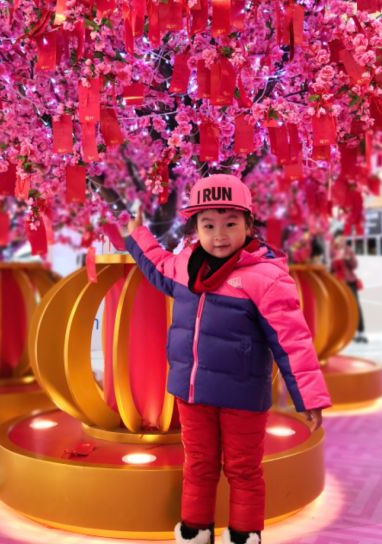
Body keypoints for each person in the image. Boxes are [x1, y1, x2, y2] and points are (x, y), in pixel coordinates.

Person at [121, 174, 331, 544]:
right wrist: (137, 235)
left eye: (230, 224)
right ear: (196, 230)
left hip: (242, 398)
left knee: (243, 469)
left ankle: (245, 534)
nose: (219, 235)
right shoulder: (187, 265)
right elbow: (157, 265)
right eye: (209, 225)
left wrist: (309, 397)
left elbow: (292, 340)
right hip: (192, 393)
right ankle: (195, 530)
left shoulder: (265, 277)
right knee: (198, 464)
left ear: (249, 226)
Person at [331, 232, 367, 343]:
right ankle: (342, 333)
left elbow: (355, 265)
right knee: (339, 308)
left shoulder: (348, 250)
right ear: (335, 239)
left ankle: (360, 331)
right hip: (336, 283)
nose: (342, 241)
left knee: (355, 305)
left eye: (343, 239)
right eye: (339, 239)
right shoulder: (331, 251)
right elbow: (329, 267)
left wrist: (348, 258)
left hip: (349, 281)